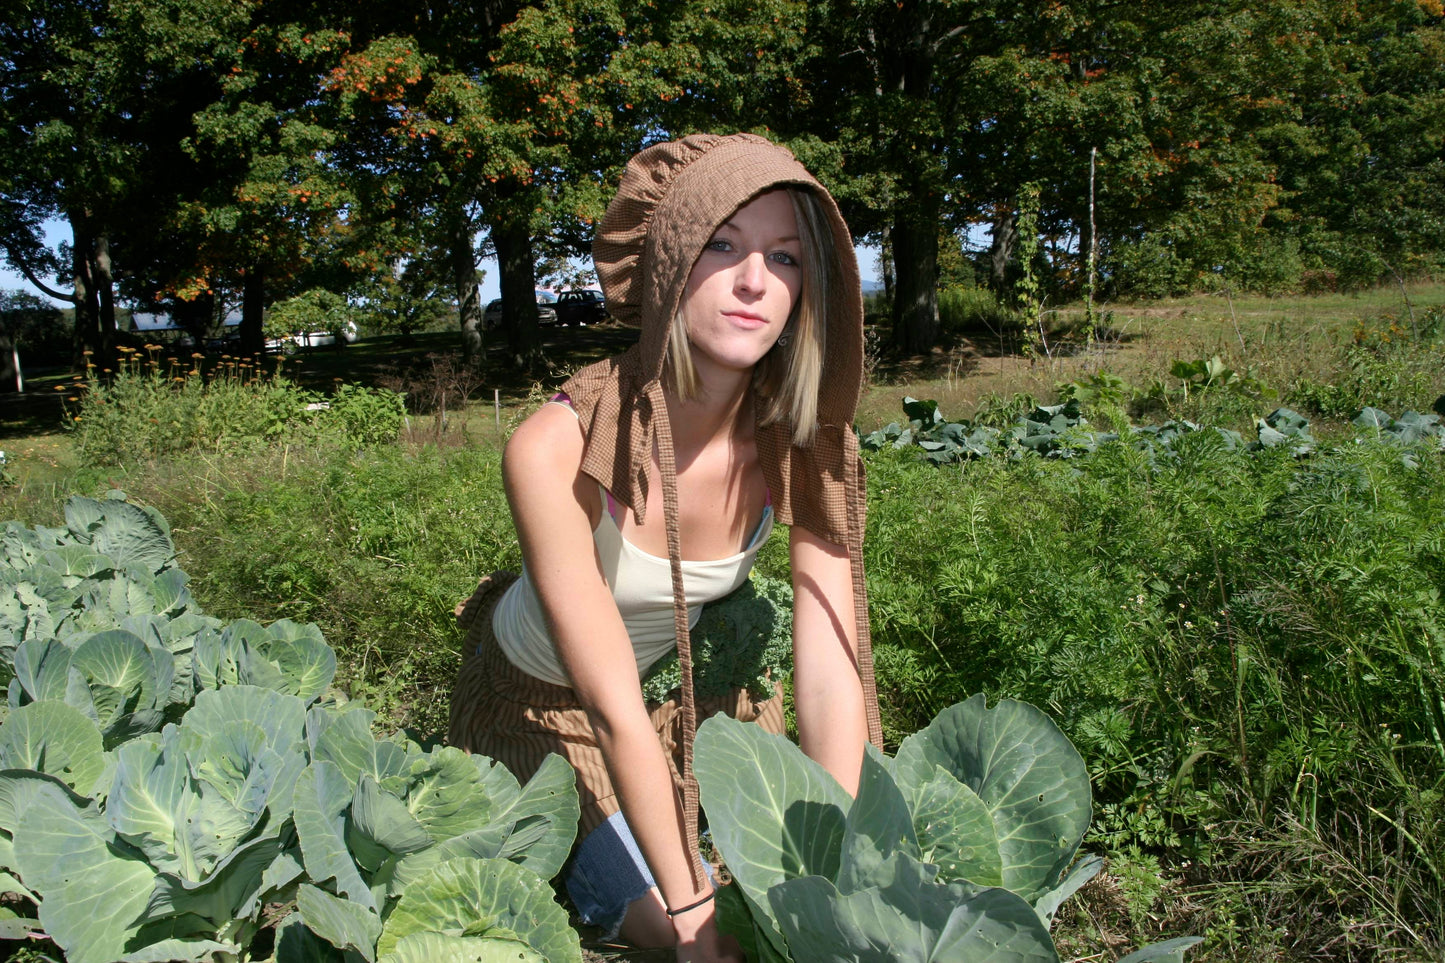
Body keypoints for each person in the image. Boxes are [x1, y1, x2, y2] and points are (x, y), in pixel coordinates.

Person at [448, 133, 883, 963]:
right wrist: (691, 912)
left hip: (668, 691)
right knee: (686, 931)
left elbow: (829, 666)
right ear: (666, 261)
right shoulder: (556, 446)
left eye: (785, 258)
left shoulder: (802, 439)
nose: (755, 282)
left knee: (789, 893)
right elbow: (606, 707)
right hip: (536, 709)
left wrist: (841, 867)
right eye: (722, 245)